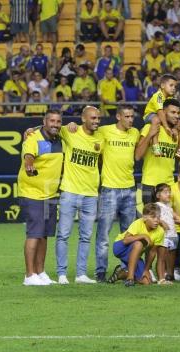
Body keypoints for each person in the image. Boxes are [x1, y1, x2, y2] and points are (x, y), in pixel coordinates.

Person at [55, 106, 102, 284]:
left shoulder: (101, 137)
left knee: (86, 236)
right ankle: (61, 274)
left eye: (98, 118)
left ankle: (81, 274)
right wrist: (31, 130)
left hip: (91, 194)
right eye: (93, 118)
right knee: (64, 234)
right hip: (70, 191)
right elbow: (49, 127)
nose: (96, 121)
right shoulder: (70, 131)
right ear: (83, 118)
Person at [93, 105, 140, 282]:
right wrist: (32, 129)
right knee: (103, 235)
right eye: (127, 116)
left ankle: (127, 270)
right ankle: (100, 272)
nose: (130, 119)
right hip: (109, 189)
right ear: (118, 117)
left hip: (129, 189)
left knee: (128, 234)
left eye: (132, 116)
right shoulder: (104, 131)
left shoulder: (135, 133)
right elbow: (82, 130)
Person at [18, 110, 64, 286]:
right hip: (32, 193)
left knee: (44, 234)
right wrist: (29, 165)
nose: (55, 124)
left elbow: (67, 128)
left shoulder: (61, 138)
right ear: (44, 121)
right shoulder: (33, 137)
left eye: (58, 121)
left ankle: (40, 271)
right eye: (51, 121)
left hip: (50, 194)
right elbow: (28, 156)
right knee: (34, 233)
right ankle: (29, 275)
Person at [136, 98, 180, 205]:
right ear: (163, 113)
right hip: (150, 184)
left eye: (178, 113)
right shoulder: (150, 127)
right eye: (173, 112)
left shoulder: (177, 132)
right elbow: (137, 156)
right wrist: (150, 134)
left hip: (168, 185)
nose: (177, 116)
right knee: (150, 221)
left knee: (167, 220)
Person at [108, 203, 165, 287]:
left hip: (135, 254)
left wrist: (146, 270)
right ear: (145, 218)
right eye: (153, 217)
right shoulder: (138, 223)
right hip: (120, 247)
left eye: (158, 217)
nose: (157, 220)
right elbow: (125, 240)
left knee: (146, 282)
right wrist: (143, 236)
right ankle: (130, 278)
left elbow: (152, 253)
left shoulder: (160, 231)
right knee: (138, 243)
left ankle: (121, 274)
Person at [154, 183, 179, 283]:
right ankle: (161, 275)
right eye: (165, 192)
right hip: (164, 236)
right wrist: (161, 222)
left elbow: (177, 218)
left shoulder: (169, 207)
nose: (168, 194)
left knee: (172, 257)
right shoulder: (156, 206)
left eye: (169, 192)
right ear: (158, 195)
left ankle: (170, 275)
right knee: (162, 256)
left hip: (173, 235)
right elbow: (151, 216)